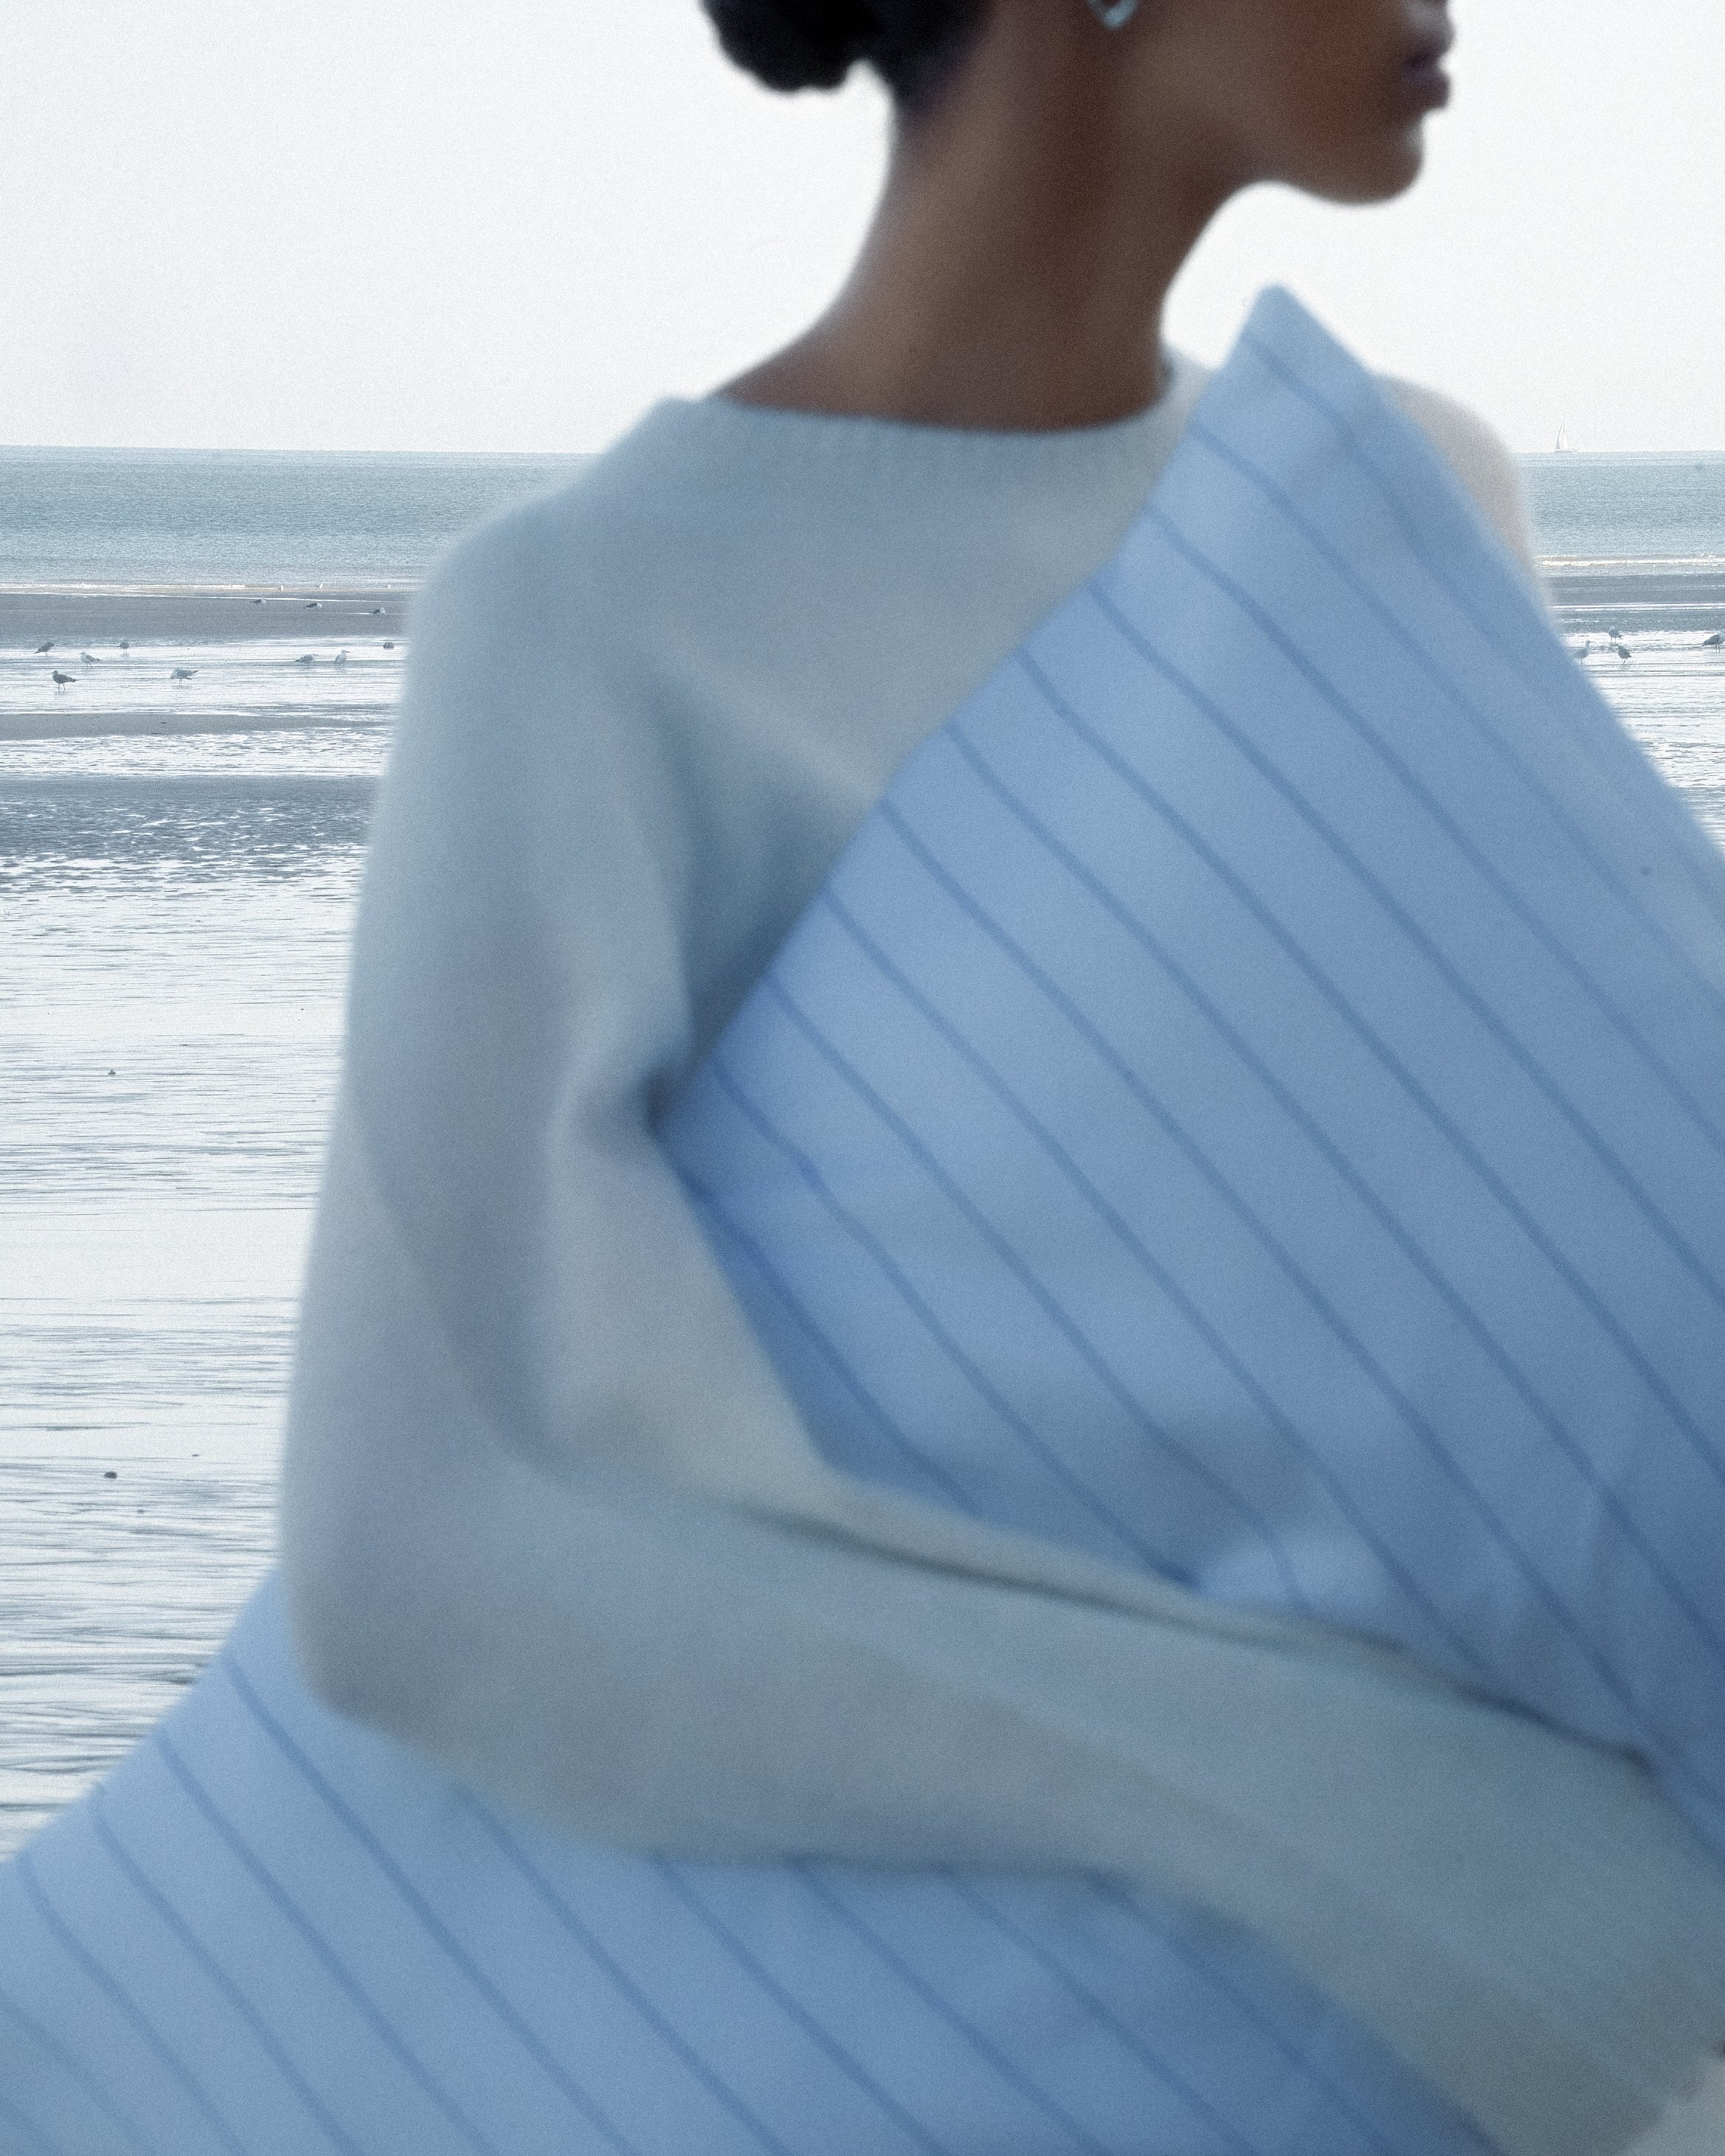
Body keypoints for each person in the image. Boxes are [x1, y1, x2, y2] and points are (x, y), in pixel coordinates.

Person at [265, 2, 1724, 2152]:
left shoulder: (1399, 503)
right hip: (1041, 2045)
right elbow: (428, 1541)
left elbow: (1540, 1296)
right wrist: (1404, 1837)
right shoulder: (590, 625)